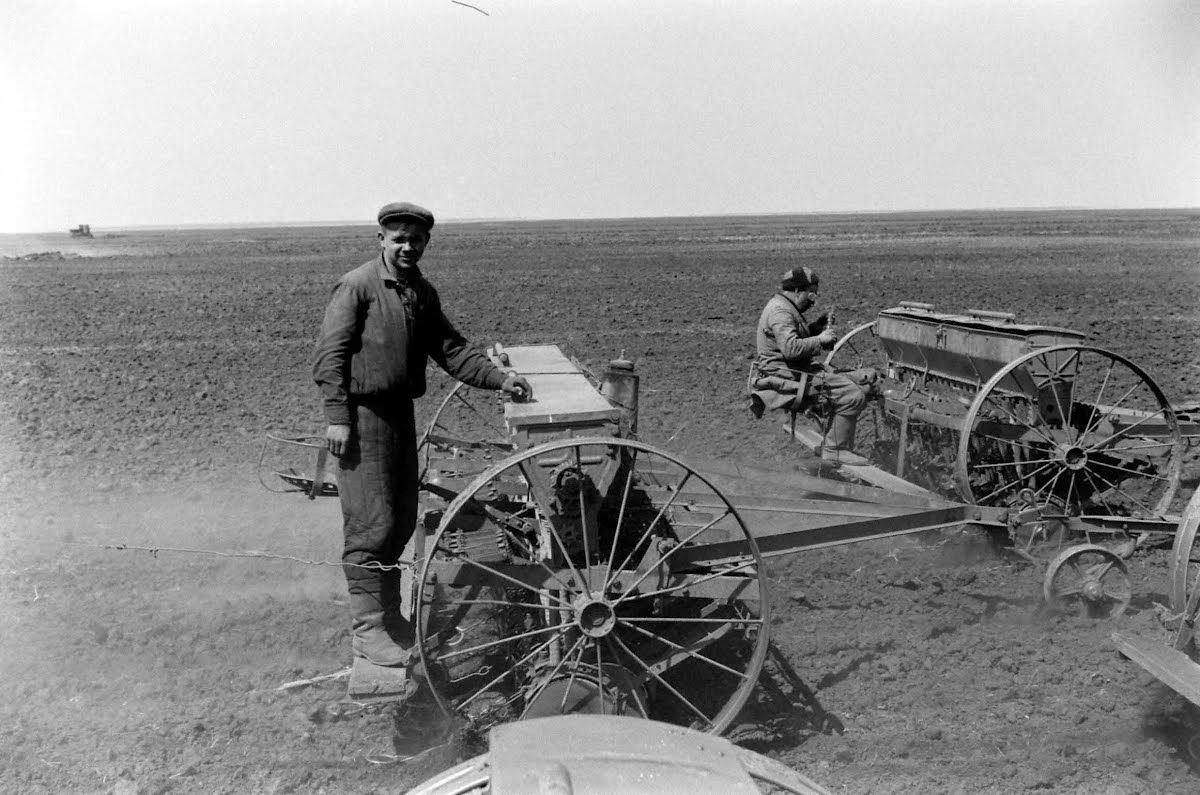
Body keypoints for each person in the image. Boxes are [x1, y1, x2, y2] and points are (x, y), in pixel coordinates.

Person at [312, 201, 532, 667]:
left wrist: (499, 379)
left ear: (426, 243)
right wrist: (337, 417)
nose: (407, 246)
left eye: (416, 240)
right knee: (371, 523)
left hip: (399, 418)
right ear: (381, 240)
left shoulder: (420, 293)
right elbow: (329, 357)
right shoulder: (358, 286)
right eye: (399, 239)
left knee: (398, 519)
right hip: (363, 418)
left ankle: (390, 620)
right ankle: (368, 632)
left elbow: (452, 350)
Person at [749, 266, 878, 465]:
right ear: (798, 291)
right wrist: (820, 339)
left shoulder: (784, 307)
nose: (812, 301)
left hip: (796, 369)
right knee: (853, 395)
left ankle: (839, 442)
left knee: (865, 380)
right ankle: (835, 449)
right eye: (810, 296)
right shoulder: (780, 311)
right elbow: (791, 349)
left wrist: (815, 327)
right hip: (788, 376)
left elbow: (791, 340)